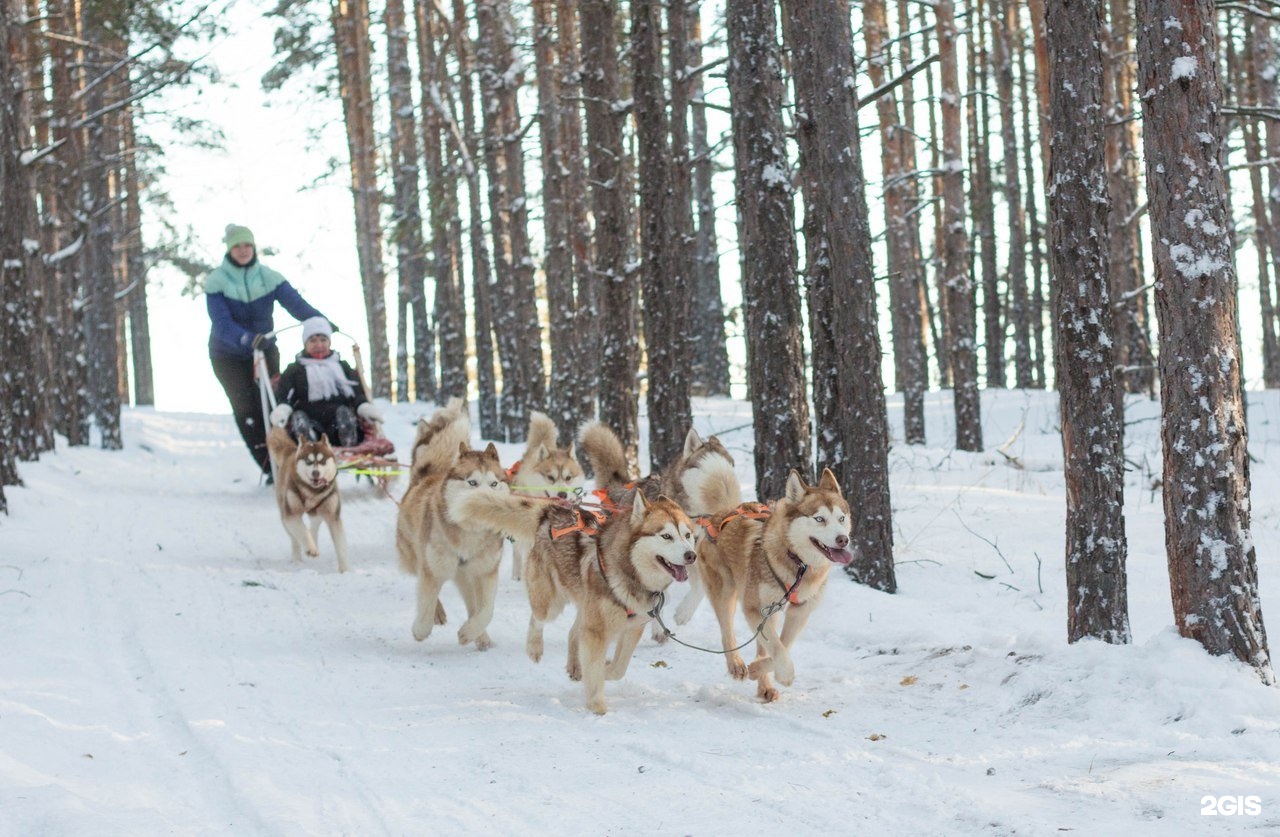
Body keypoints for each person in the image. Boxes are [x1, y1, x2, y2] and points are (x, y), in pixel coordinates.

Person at [205, 223, 331, 479]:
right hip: (228, 355)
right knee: (246, 408)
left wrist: (321, 322)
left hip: (265, 350)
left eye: (247, 245)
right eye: (237, 246)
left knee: (277, 404)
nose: (243, 250)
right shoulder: (217, 281)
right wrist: (246, 338)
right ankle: (268, 466)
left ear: (253, 248)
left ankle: (288, 458)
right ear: (230, 250)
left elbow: (296, 304)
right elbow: (221, 322)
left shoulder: (269, 277)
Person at [270, 317, 383, 448]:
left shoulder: (342, 366)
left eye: (323, 340)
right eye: (313, 341)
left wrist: (363, 406)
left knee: (344, 415)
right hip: (308, 415)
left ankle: (347, 439)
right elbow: (284, 393)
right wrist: (283, 409)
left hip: (337, 416)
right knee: (300, 420)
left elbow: (356, 391)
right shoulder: (295, 369)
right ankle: (307, 443)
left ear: (329, 342)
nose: (319, 345)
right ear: (305, 344)